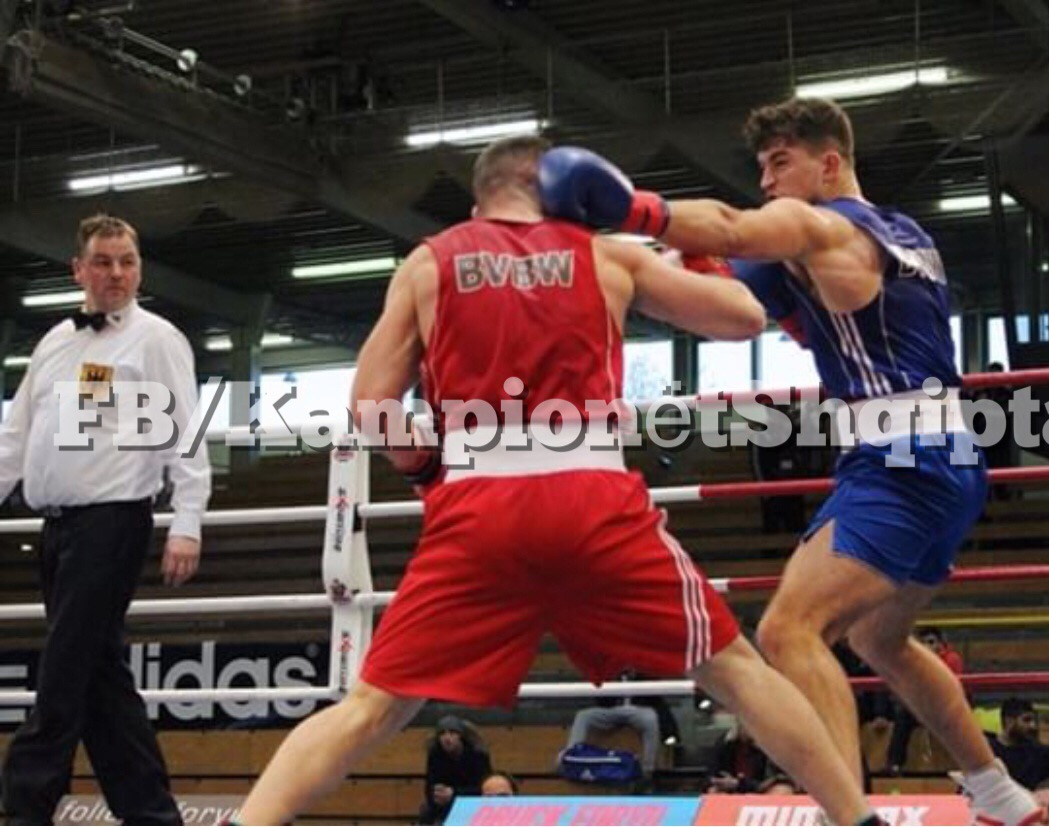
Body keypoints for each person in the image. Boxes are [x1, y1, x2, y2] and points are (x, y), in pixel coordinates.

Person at [232, 135, 884, 827]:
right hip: (591, 495)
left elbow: (370, 405)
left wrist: (429, 471)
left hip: (479, 503)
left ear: (482, 194)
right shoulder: (605, 253)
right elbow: (743, 318)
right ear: (560, 185)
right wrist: (695, 253)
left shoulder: (429, 263)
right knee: (738, 672)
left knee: (371, 707)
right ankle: (859, 821)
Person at [537, 97, 1043, 825]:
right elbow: (753, 311)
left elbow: (734, 226)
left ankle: (850, 815)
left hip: (900, 460)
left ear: (829, 162)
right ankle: (996, 788)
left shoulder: (821, 223)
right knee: (879, 636)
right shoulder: (903, 236)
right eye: (763, 167)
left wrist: (635, 210)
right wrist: (690, 269)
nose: (768, 181)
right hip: (945, 456)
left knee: (787, 630)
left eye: (781, 163)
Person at [0, 214, 211, 824]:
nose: (116, 273)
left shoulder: (156, 339)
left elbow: (185, 434)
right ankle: (151, 814)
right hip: (58, 528)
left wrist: (188, 520)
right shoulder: (55, 341)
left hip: (113, 523)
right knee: (100, 679)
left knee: (64, 671)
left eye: (127, 262)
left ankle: (24, 805)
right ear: (79, 269)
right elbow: (15, 437)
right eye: (104, 261)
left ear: (139, 269)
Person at [885, 627, 964, 774]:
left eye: (932, 642)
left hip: (946, 706)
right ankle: (894, 764)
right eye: (925, 643)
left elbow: (948, 687)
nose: (929, 646)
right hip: (923, 706)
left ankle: (964, 764)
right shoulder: (916, 661)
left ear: (941, 644)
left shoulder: (952, 658)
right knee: (903, 717)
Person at [418, 715, 492, 825]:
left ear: (460, 736)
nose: (447, 738)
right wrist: (437, 795)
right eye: (442, 734)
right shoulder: (435, 755)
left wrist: (454, 793)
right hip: (445, 803)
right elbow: (429, 786)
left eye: (452, 733)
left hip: (472, 801)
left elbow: (483, 788)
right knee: (426, 811)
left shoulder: (478, 756)